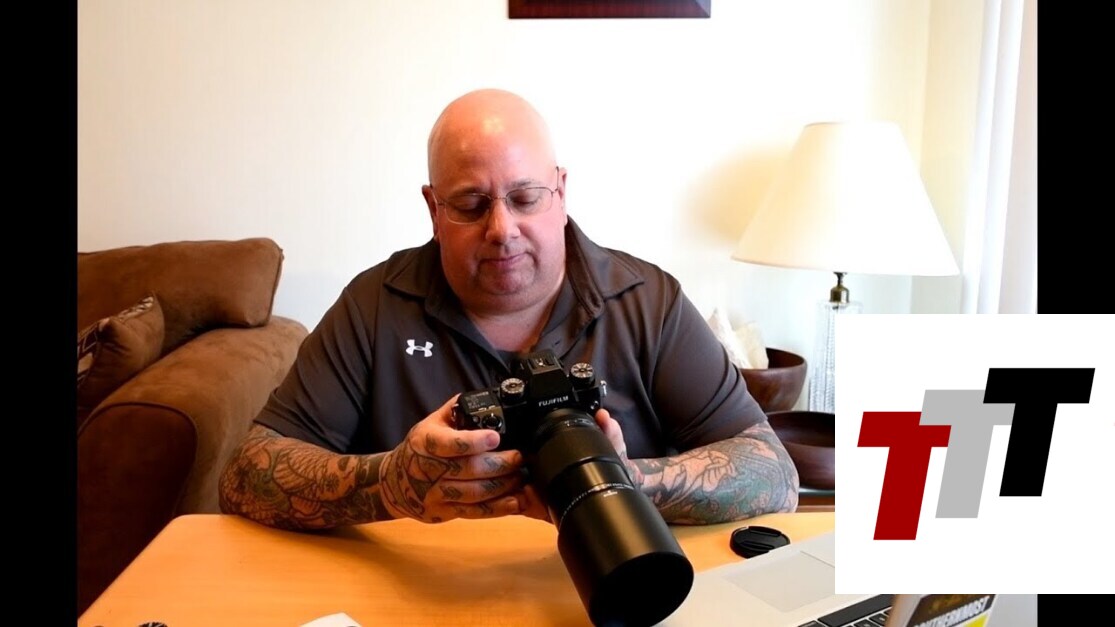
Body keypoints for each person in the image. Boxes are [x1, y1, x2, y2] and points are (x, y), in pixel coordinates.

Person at [218, 88, 799, 530]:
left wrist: (618, 483)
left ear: (561, 192)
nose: (502, 229)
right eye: (471, 204)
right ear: (433, 209)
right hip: (420, 593)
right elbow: (245, 474)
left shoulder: (648, 302)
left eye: (525, 198)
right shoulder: (375, 305)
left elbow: (774, 474)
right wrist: (390, 484)